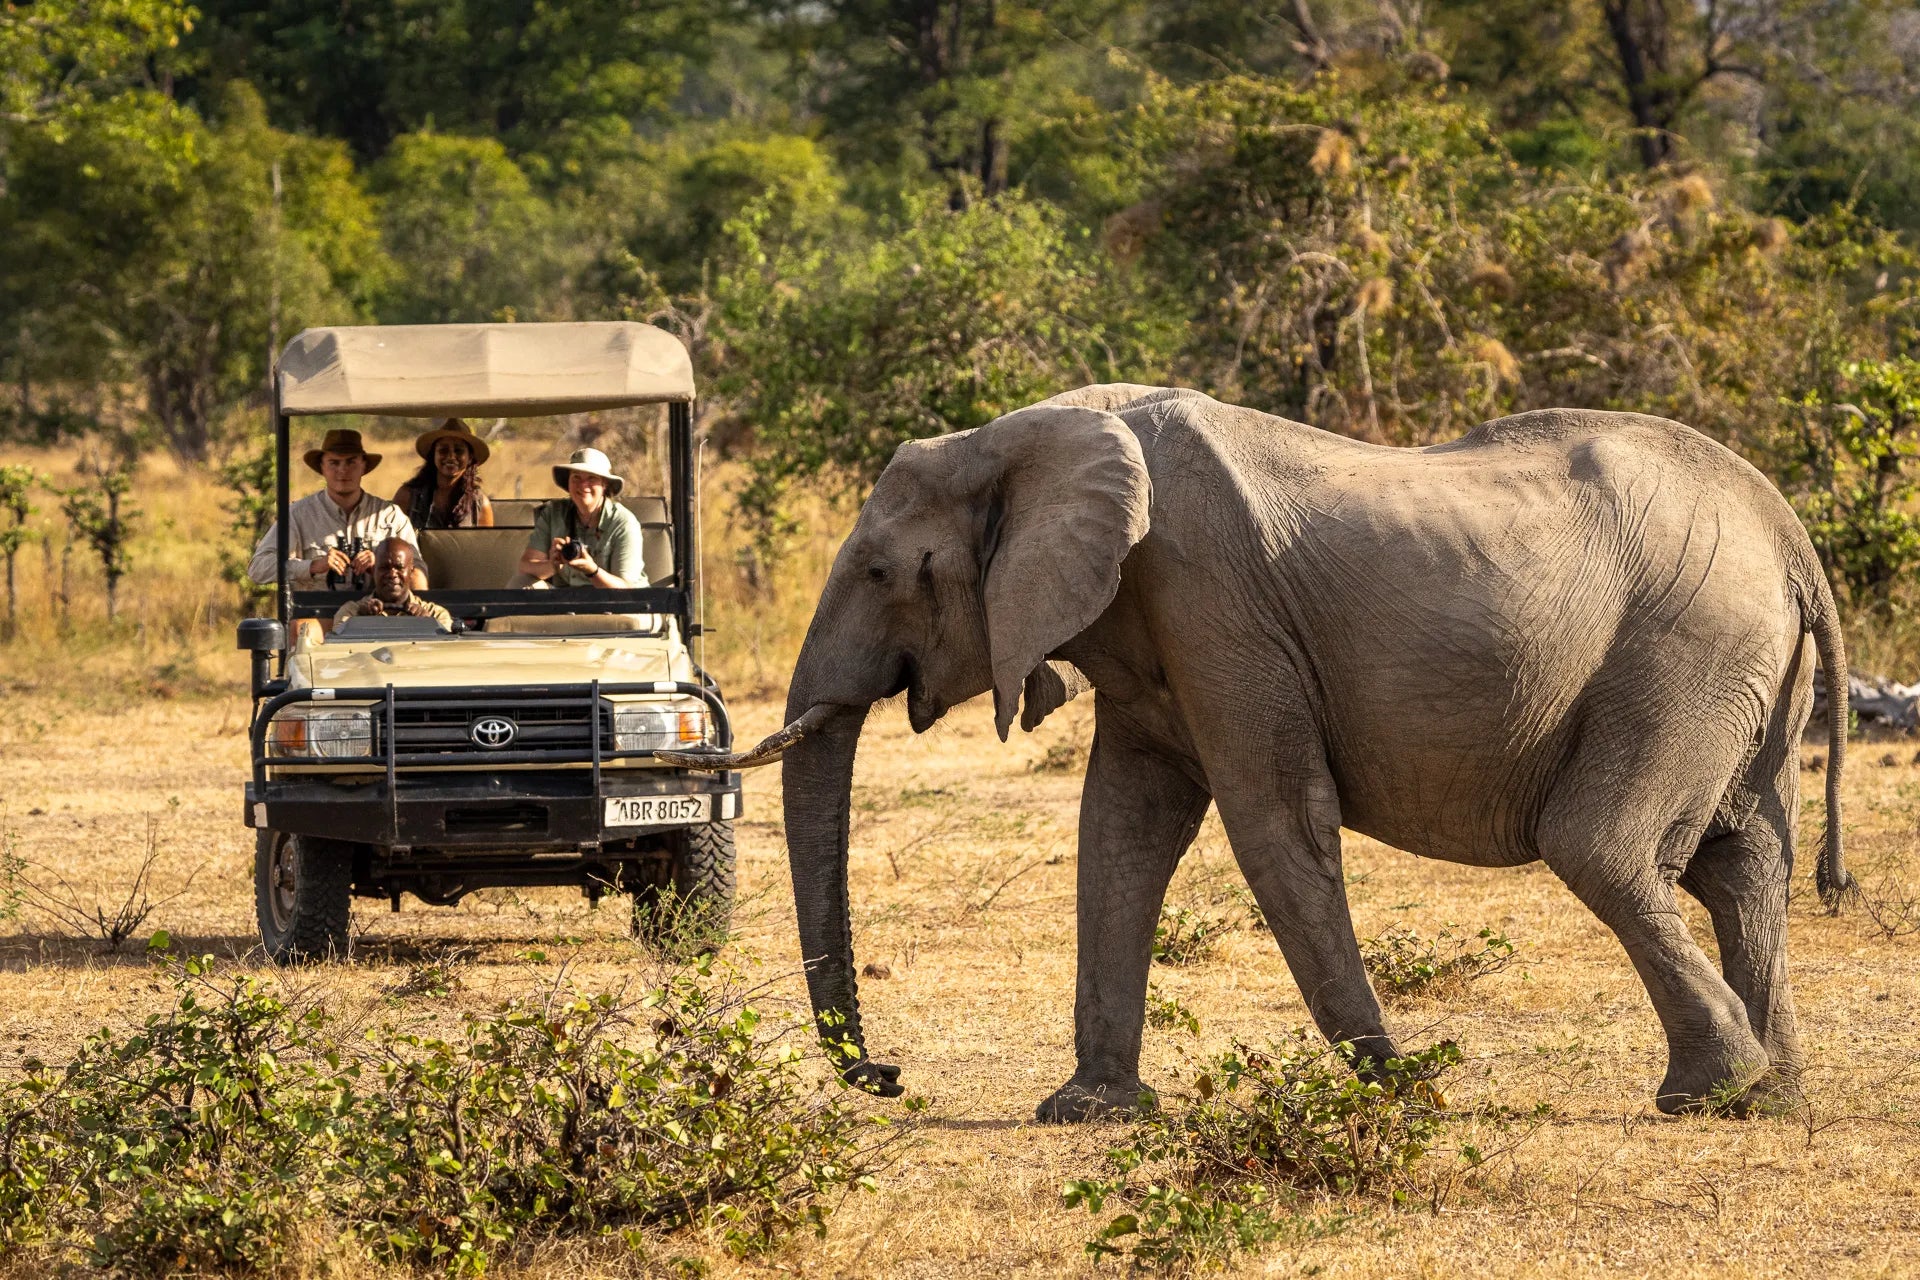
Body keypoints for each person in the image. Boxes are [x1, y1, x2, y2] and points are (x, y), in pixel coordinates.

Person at [247, 428, 425, 590]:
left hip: (376, 614)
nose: (343, 470)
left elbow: (419, 575)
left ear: (363, 466)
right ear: (322, 467)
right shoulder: (298, 515)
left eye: (351, 462)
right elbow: (258, 568)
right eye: (334, 462)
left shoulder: (390, 516)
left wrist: (382, 564)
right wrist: (312, 566)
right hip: (316, 614)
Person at [516, 447, 646, 588]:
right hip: (565, 599)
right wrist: (553, 565)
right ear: (568, 482)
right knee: (521, 583)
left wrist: (592, 571)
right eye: (576, 477)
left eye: (592, 478)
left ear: (604, 484)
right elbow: (525, 566)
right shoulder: (553, 513)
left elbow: (626, 590)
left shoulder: (623, 522)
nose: (583, 485)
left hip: (614, 602)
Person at [391, 418, 495, 529]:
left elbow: (485, 544)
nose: (451, 457)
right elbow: (391, 539)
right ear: (433, 456)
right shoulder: (407, 496)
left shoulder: (480, 504)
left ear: (470, 458)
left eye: (458, 451)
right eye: (443, 450)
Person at [332, 538, 452, 628]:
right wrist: (361, 620)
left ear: (411, 571)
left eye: (399, 568)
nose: (392, 574)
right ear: (373, 571)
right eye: (384, 568)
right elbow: (339, 647)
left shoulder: (435, 614)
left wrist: (428, 625)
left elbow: (444, 652)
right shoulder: (351, 612)